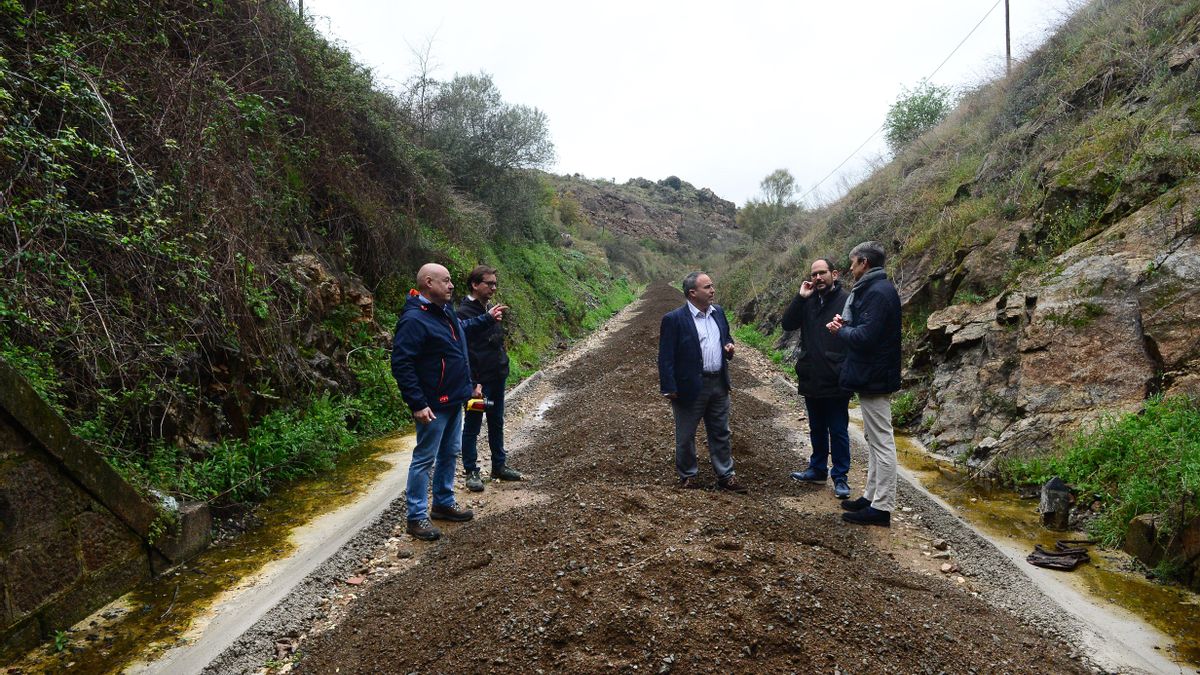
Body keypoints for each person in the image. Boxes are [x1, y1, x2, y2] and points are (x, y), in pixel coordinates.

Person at [391, 263, 507, 541]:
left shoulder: (444, 313)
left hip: (454, 398)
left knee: (449, 453)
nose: (452, 285)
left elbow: (461, 336)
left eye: (451, 281)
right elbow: (402, 363)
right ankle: (416, 517)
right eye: (446, 281)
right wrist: (417, 403)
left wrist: (487, 319)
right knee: (424, 459)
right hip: (432, 403)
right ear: (428, 283)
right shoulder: (414, 320)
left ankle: (443, 502)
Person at [827, 242, 902, 527]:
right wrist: (846, 325)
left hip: (875, 376)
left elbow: (866, 338)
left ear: (864, 263)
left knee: (882, 442)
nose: (850, 268)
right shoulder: (874, 290)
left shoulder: (878, 293)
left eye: (853, 262)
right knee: (874, 441)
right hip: (872, 374)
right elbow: (866, 329)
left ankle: (881, 508)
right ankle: (871, 497)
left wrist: (841, 330)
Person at [657, 272, 748, 493]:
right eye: (707, 287)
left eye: (712, 286)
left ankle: (726, 475)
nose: (712, 290)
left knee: (720, 432)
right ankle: (688, 475)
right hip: (690, 386)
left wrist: (729, 346)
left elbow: (726, 338)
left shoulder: (719, 313)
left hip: (718, 383)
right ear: (692, 293)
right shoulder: (674, 319)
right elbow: (665, 356)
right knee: (686, 434)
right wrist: (669, 387)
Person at [781, 257, 852, 499]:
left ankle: (840, 477)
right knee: (817, 428)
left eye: (822, 273)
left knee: (839, 430)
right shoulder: (808, 301)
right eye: (814, 274)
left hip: (836, 377)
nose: (818, 278)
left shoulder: (847, 300)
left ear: (835, 274)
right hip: (811, 375)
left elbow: (856, 333)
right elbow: (787, 323)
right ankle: (817, 469)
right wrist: (800, 297)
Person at [457, 265, 523, 492]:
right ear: (475, 285)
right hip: (478, 382)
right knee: (473, 425)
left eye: (495, 283)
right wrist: (473, 382)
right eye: (489, 283)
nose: (493, 288)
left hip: (497, 377)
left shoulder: (490, 309)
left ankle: (499, 465)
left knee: (496, 421)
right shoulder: (464, 312)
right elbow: (465, 350)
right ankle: (471, 471)